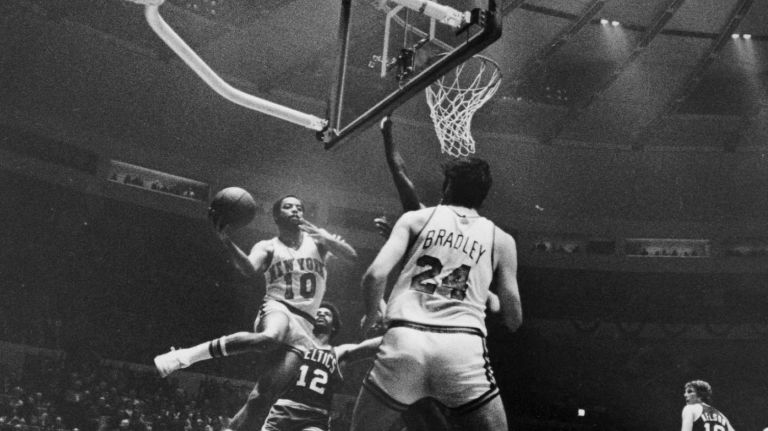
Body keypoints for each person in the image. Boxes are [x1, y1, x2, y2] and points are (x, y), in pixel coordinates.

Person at [153, 195, 357, 431]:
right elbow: (248, 269)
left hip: (305, 327)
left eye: (300, 207)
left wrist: (327, 238)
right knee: (271, 337)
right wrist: (226, 240)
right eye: (288, 206)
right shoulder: (268, 246)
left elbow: (351, 256)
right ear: (277, 216)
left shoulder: (319, 243)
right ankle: (184, 356)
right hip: (278, 307)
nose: (296, 210)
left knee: (263, 397)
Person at [352, 156, 522, 431]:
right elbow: (514, 319)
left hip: (405, 340)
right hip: (462, 347)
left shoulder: (415, 218)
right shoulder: (501, 239)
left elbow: (374, 275)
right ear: (484, 196)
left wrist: (371, 315)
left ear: (446, 188)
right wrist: (489, 298)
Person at [261, 302, 381, 431]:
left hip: (315, 417)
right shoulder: (294, 343)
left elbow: (371, 347)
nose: (321, 314)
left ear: (334, 326)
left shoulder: (338, 352)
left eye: (327, 314)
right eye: (318, 313)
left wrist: (392, 327)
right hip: (282, 410)